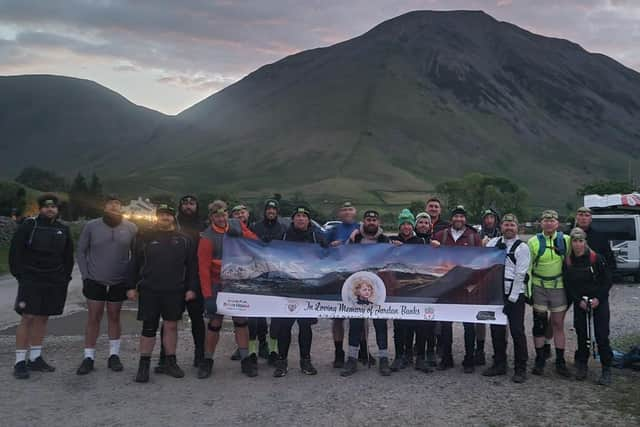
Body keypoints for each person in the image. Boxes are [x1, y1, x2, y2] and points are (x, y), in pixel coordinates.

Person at [127, 204, 198, 383]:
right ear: (157, 217)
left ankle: (170, 362)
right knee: (148, 327)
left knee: (171, 326)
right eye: (162, 215)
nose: (165, 218)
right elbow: (134, 263)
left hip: (175, 289)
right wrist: (130, 286)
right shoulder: (143, 237)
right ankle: (143, 365)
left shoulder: (184, 239)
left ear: (173, 218)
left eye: (168, 215)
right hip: (149, 289)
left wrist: (191, 288)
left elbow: (191, 266)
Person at [10, 194, 74, 379]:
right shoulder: (29, 226)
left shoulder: (63, 229)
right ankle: (20, 361)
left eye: (53, 207)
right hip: (31, 279)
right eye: (46, 207)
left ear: (57, 209)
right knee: (27, 317)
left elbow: (68, 256)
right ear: (40, 208)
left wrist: (65, 278)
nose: (50, 209)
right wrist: (21, 276)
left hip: (54, 280)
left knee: (43, 318)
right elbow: (15, 252)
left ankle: (36, 358)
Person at [76, 194, 138, 375]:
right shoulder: (91, 226)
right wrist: (85, 276)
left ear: (122, 208)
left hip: (119, 280)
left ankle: (114, 355)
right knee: (93, 317)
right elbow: (80, 251)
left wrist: (132, 280)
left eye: (117, 204)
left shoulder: (131, 227)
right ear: (104, 207)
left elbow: (136, 255)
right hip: (95, 279)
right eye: (110, 204)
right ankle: (88, 356)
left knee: (114, 316)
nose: (114, 207)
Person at [197, 200, 259, 379]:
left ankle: (245, 359)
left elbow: (256, 243)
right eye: (217, 216)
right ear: (211, 218)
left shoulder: (236, 225)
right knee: (214, 324)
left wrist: (241, 234)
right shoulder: (207, 237)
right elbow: (203, 269)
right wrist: (208, 296)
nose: (221, 218)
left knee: (241, 321)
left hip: (236, 282)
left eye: (224, 215)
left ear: (227, 214)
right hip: (217, 284)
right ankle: (207, 360)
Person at [155, 195, 207, 374]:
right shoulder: (172, 223)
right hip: (173, 280)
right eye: (185, 204)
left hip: (196, 277)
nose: (188, 206)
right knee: (169, 320)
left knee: (197, 320)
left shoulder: (204, 226)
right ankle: (164, 357)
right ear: (180, 207)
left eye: (192, 203)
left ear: (197, 206)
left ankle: (200, 356)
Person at [273, 206, 327, 378]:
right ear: (293, 219)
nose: (301, 219)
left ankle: (306, 360)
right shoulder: (283, 235)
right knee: (284, 327)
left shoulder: (316, 236)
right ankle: (282, 362)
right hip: (288, 288)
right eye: (298, 216)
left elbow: (329, 255)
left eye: (304, 216)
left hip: (308, 289)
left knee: (305, 326)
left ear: (308, 220)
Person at [341, 210, 393, 377]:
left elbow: (392, 259)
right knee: (355, 325)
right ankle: (352, 359)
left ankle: (383, 359)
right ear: (363, 221)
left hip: (377, 289)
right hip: (357, 286)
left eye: (374, 220)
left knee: (380, 325)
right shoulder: (355, 238)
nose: (371, 222)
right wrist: (348, 239)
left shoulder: (385, 240)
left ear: (378, 222)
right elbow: (342, 254)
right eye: (368, 220)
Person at [432, 205, 484, 373]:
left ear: (465, 220)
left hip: (466, 287)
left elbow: (481, 262)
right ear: (451, 218)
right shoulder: (441, 235)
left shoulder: (474, 237)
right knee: (446, 325)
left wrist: (474, 284)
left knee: (469, 325)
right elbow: (433, 259)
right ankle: (447, 358)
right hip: (446, 287)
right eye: (456, 216)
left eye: (462, 217)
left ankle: (469, 359)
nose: (459, 219)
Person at [483, 214, 529, 383]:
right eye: (506, 224)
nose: (509, 227)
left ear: (517, 228)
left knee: (517, 331)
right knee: (496, 330)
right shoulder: (493, 243)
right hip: (496, 292)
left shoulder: (522, 247)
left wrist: (513, 298)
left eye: (512, 225)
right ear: (501, 226)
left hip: (514, 293)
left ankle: (521, 367)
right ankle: (499, 363)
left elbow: (521, 274)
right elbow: (484, 261)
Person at [564, 227, 613, 385]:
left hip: (599, 300)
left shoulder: (596, 258)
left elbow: (607, 281)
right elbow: (568, 284)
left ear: (585, 242)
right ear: (571, 243)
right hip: (581, 302)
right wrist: (579, 301)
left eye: (580, 241)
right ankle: (582, 365)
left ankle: (606, 368)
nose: (578, 244)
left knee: (601, 335)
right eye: (575, 241)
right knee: (582, 334)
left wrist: (598, 298)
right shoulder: (568, 261)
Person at [527, 210, 572, 377]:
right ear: (541, 223)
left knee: (557, 324)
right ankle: (540, 359)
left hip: (558, 286)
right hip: (539, 286)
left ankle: (560, 361)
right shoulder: (533, 242)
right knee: (539, 324)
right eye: (545, 220)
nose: (549, 223)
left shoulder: (566, 240)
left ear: (557, 223)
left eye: (552, 220)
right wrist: (528, 290)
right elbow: (528, 268)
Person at [389, 209, 433, 373]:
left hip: (418, 288)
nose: (406, 227)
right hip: (398, 288)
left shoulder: (420, 242)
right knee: (400, 324)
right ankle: (401, 356)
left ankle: (420, 357)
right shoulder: (391, 241)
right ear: (399, 226)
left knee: (420, 324)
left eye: (409, 223)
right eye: (403, 224)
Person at [250, 199, 286, 365]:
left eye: (274, 209)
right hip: (258, 274)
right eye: (268, 209)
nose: (271, 211)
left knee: (277, 314)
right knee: (255, 314)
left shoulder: (283, 228)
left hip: (276, 275)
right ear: (264, 211)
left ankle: (273, 349)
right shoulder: (255, 227)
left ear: (277, 211)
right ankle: (255, 349)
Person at [326, 201, 361, 368]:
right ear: (339, 213)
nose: (347, 212)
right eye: (344, 209)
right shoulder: (333, 230)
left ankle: (361, 352)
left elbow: (377, 242)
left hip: (358, 277)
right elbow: (319, 248)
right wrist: (330, 246)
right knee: (338, 318)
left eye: (350, 209)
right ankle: (338, 352)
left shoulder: (362, 227)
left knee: (361, 316)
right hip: (338, 278)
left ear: (355, 211)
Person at [415, 212, 440, 366]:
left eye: (426, 222)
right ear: (416, 225)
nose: (423, 225)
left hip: (432, 287)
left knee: (431, 322)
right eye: (420, 222)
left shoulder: (435, 242)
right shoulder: (410, 242)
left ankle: (431, 352)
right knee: (418, 323)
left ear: (430, 225)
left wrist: (440, 248)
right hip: (415, 288)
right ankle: (419, 354)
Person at [575, 206, 616, 272]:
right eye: (581, 215)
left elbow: (610, 261)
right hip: (574, 277)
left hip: (595, 278)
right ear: (576, 218)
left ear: (591, 219)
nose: (583, 218)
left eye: (587, 215)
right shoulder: (567, 236)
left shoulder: (600, 237)